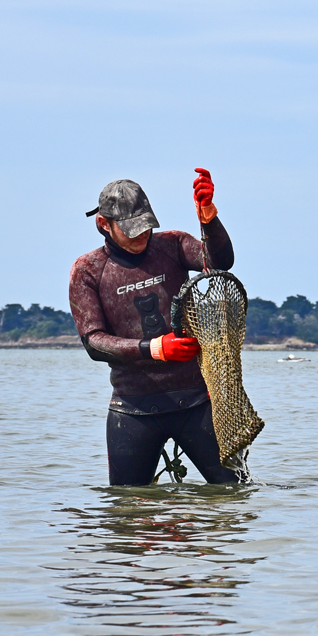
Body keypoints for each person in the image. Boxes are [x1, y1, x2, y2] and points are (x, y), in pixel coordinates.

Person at [69, 170, 240, 485]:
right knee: (127, 512)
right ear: (103, 225)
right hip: (132, 408)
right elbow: (94, 343)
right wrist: (156, 348)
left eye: (145, 227)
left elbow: (220, 263)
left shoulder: (173, 245)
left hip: (197, 402)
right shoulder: (87, 271)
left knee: (236, 495)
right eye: (130, 230)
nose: (140, 236)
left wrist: (208, 217)